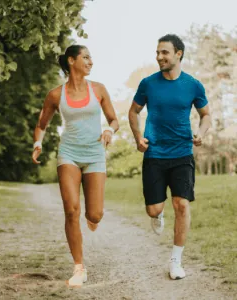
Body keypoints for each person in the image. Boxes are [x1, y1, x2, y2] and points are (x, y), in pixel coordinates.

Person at [32, 45, 119, 287]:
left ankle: (93, 218)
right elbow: (42, 123)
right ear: (72, 61)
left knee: (95, 214)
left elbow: (113, 119)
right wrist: (37, 142)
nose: (91, 61)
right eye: (86, 57)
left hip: (94, 154)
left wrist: (109, 130)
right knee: (71, 210)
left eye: (92, 57)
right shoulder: (55, 95)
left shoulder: (98, 89)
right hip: (68, 153)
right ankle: (79, 268)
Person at [128, 34, 211, 280]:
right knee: (154, 209)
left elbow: (206, 115)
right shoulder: (148, 84)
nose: (159, 57)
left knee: (182, 205)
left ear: (178, 54)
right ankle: (158, 214)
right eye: (157, 52)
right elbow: (134, 112)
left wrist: (201, 132)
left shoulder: (193, 85)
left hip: (182, 153)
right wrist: (137, 137)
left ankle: (175, 260)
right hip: (154, 154)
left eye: (164, 52)